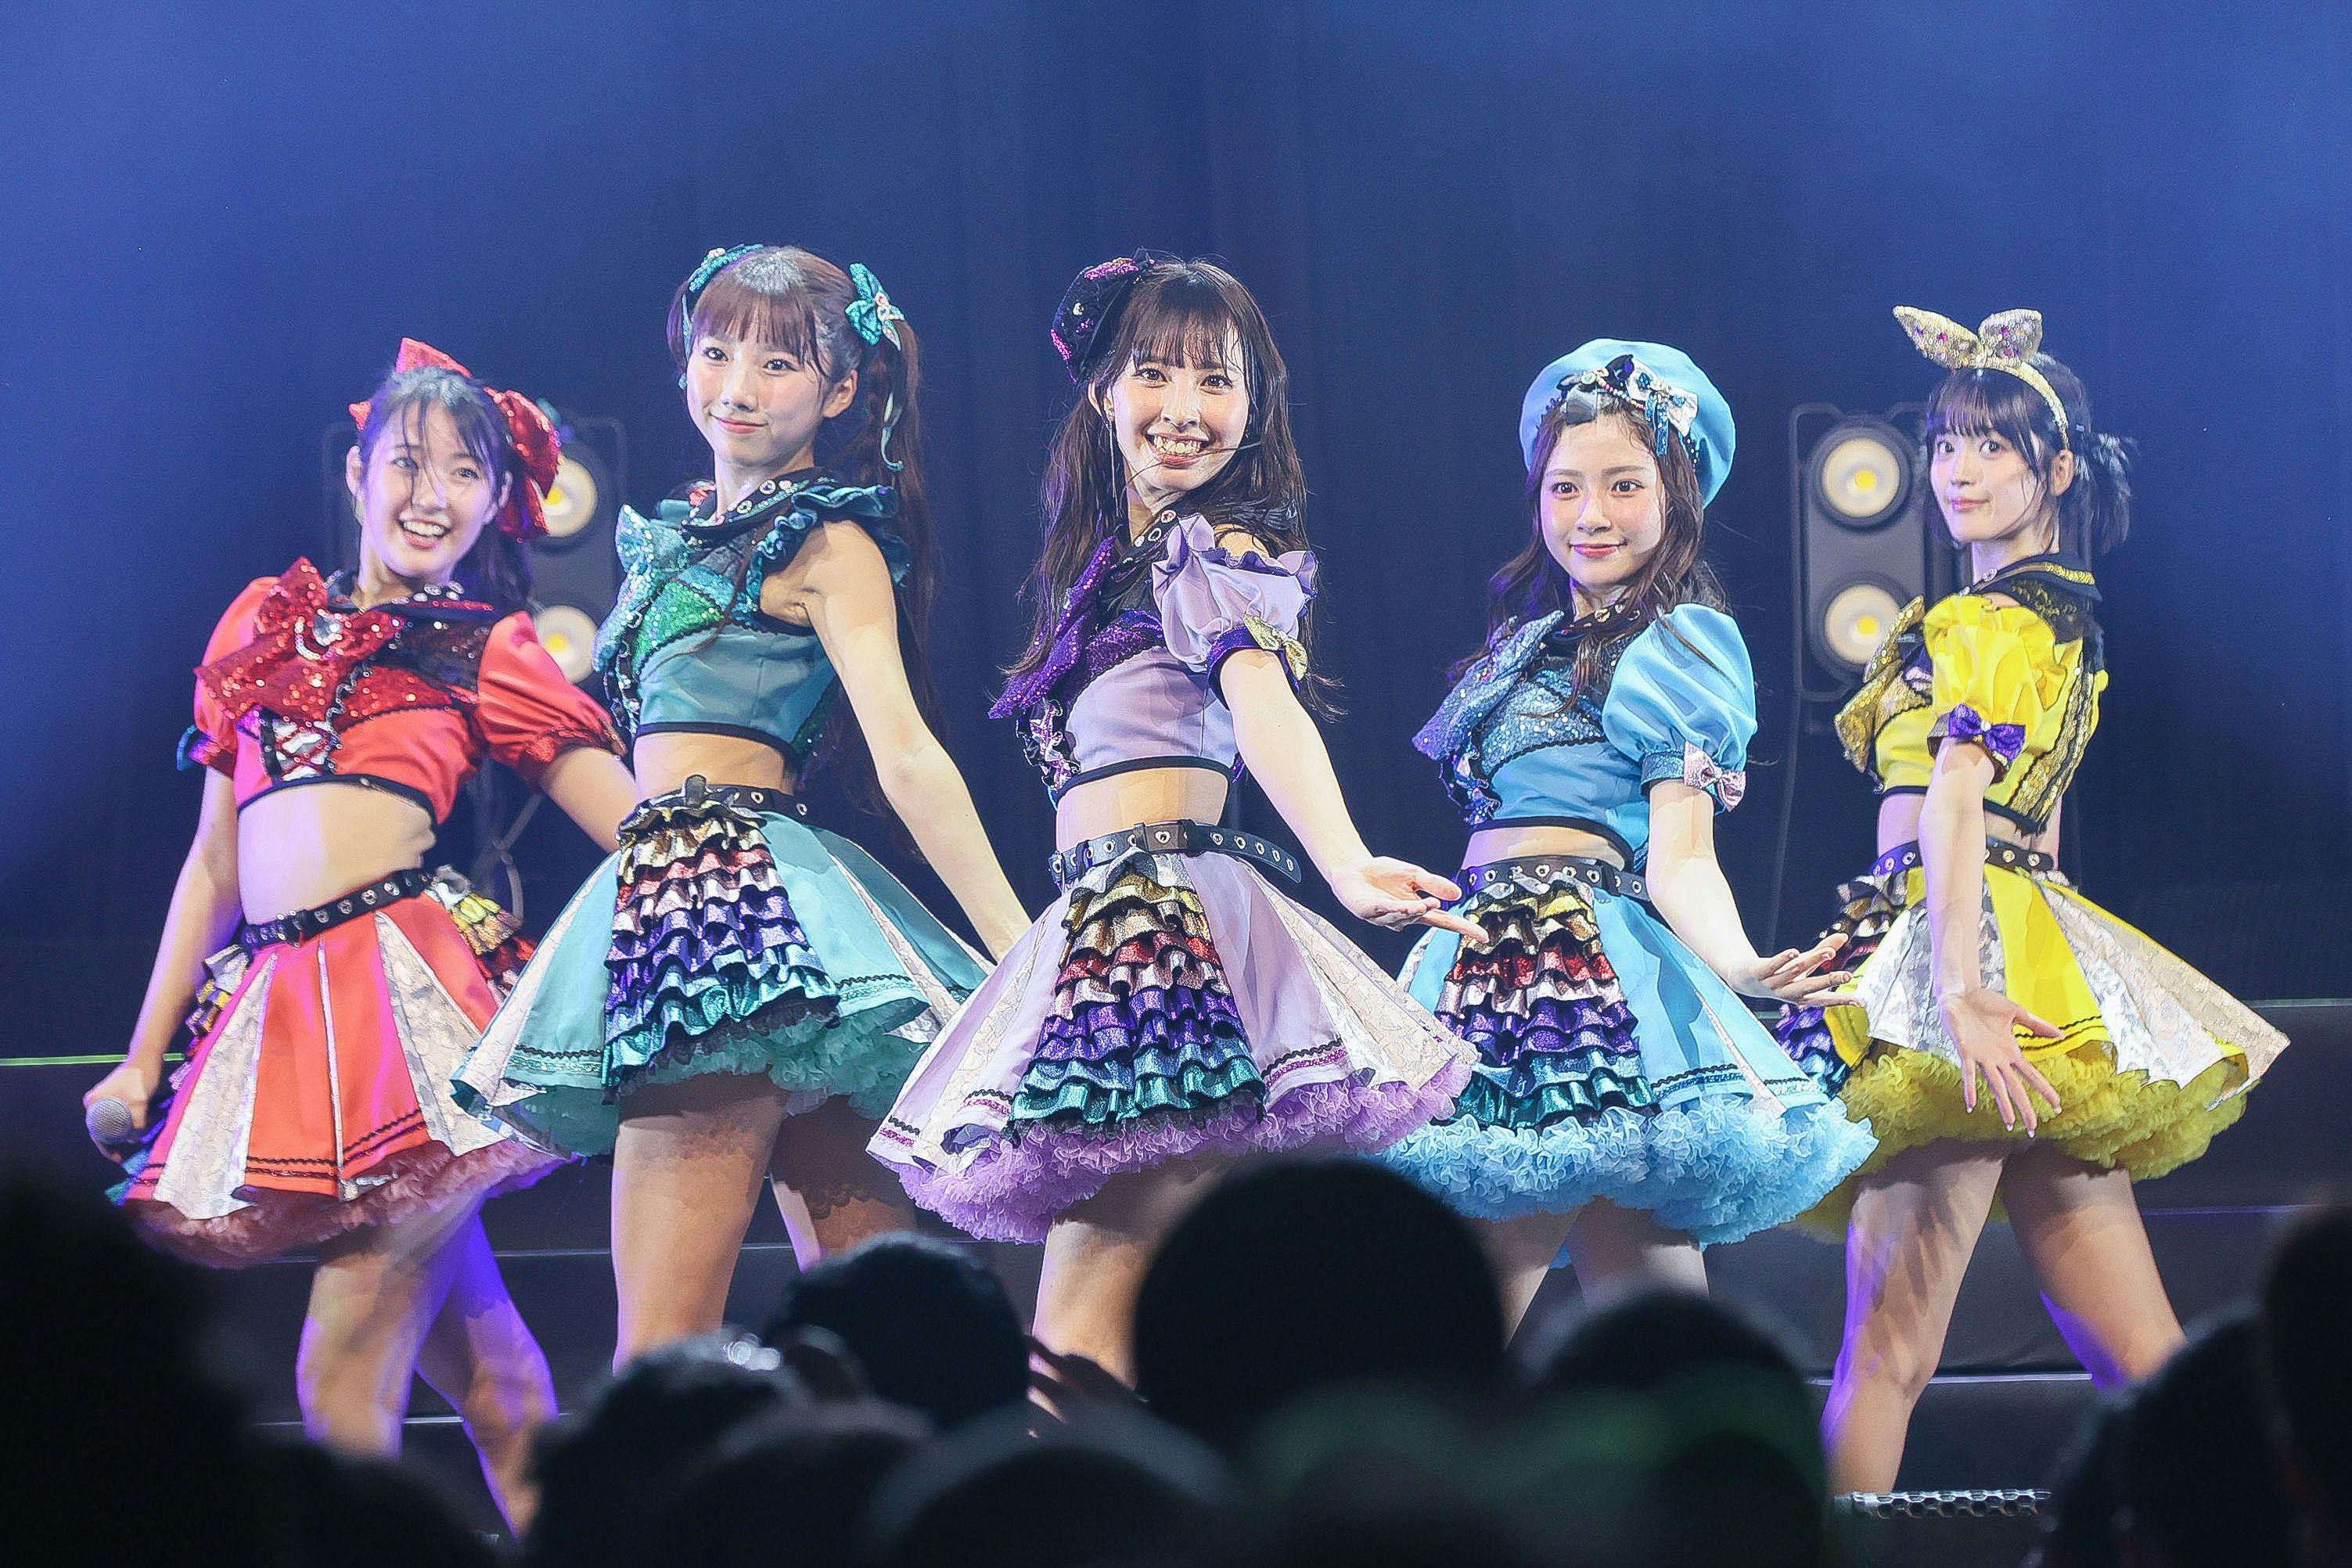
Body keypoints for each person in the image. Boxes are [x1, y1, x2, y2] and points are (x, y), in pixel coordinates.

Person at [872, 254, 1477, 1376]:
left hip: (1163, 929)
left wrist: (1344, 861)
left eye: (1217, 381)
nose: (1184, 409)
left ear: (1254, 408)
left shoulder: (1215, 549)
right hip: (1109, 920)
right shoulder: (1111, 565)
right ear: (1104, 389)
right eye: (1154, 373)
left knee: (1082, 1321)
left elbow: (1263, 703)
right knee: (1179, 1314)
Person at [88, 340, 639, 1524]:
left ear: (498, 501)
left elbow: (631, 828)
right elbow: (213, 866)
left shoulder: (485, 646)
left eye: (464, 473)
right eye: (407, 463)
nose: (431, 495)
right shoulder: (260, 622)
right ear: (357, 472)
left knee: (338, 1369)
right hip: (290, 1013)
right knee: (495, 1383)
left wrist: (714, 879)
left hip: (411, 1014)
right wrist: (141, 1058)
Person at [457, 246, 1025, 1364]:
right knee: (870, 1343)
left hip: (721, 920)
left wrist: (1016, 946)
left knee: (674, 1349)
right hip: (697, 895)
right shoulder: (669, 543)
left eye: (778, 363)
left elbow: (906, 752)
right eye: (717, 353)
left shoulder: (825, 540)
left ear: (841, 391)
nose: (739, 386)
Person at [1783, 307, 2288, 1491]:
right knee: (2144, 1360)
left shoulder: (1990, 617)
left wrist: (1959, 984)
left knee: (1885, 1353)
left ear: (2056, 469)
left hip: (1965, 961)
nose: (1956, 468)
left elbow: (1960, 803)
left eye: (1991, 445)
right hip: (2012, 943)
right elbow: (2038, 832)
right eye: (1944, 443)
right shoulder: (2062, 614)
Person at [1383, 343, 1873, 1331]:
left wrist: (1741, 965)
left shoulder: (1681, 644)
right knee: (1656, 1330)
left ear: (1674, 497)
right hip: (1475, 953)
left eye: (1623, 485)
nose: (1590, 514)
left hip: (1564, 973)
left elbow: (1682, 856)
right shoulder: (1528, 648)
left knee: (1451, 1323)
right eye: (1565, 487)